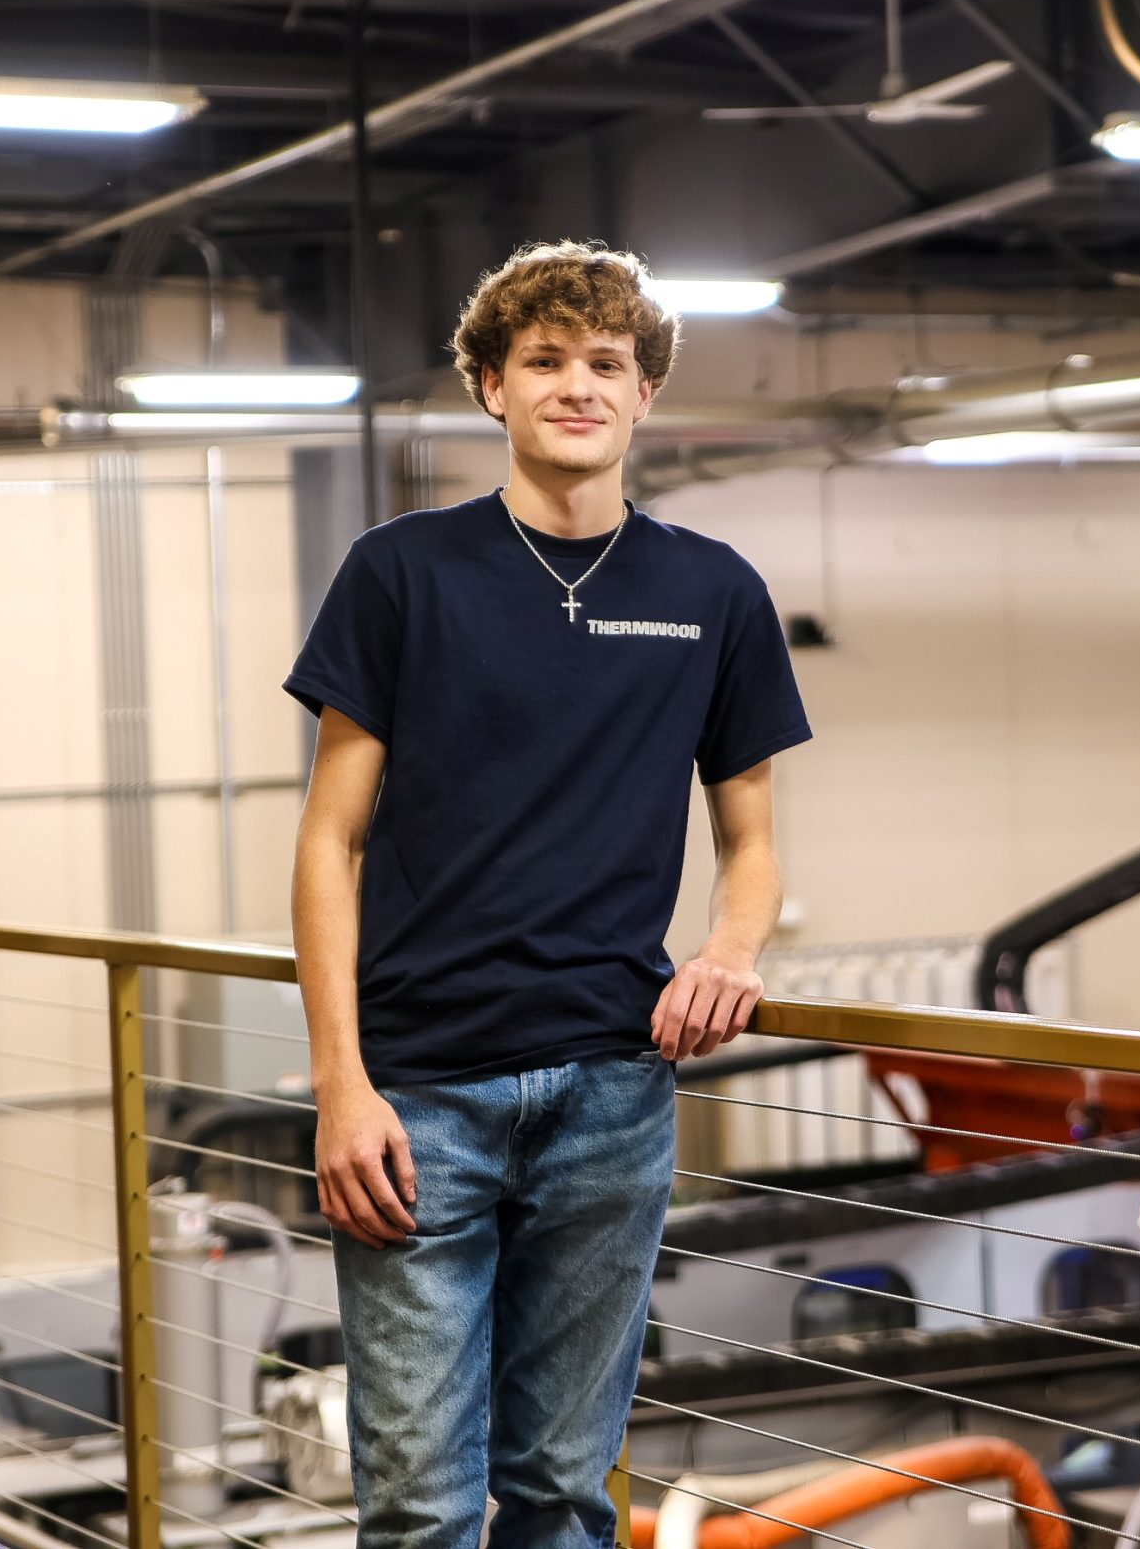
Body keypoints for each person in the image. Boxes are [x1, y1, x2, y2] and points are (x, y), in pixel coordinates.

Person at [283, 241, 812, 1549]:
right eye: (545, 362)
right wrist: (341, 1084)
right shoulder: (403, 572)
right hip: (420, 1099)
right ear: (490, 387)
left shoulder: (714, 591)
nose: (577, 386)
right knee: (416, 1503)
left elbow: (750, 839)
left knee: (565, 1494)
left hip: (611, 1093)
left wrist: (729, 951)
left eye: (605, 364)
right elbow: (328, 840)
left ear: (644, 397)